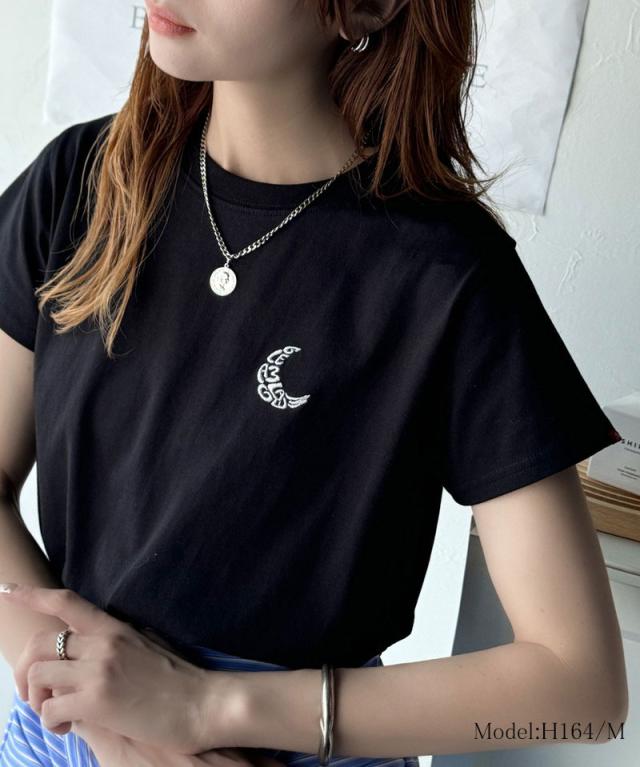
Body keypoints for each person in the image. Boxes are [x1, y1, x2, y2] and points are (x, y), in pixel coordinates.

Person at [0, 0, 628, 765]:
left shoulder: (445, 278)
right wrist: (104, 713)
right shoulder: (81, 184)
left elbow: (582, 692)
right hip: (59, 727)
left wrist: (204, 707)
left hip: (296, 743)